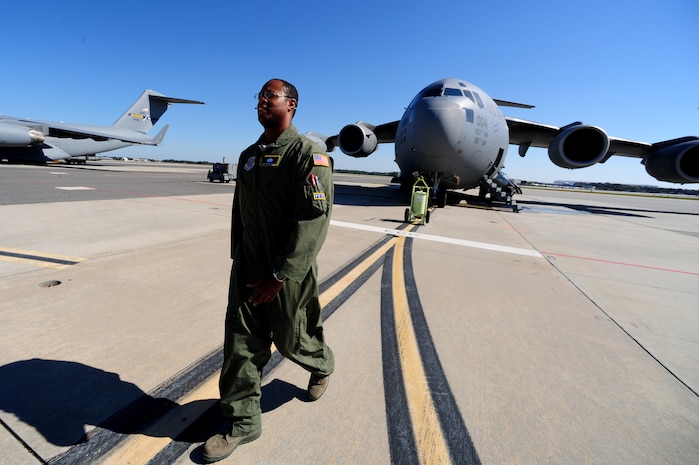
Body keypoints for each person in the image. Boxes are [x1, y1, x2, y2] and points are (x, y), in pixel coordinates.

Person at [202, 79, 335, 463]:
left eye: (269, 96)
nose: (261, 101)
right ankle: (243, 422)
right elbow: (240, 212)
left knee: (292, 338)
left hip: (288, 268)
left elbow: (313, 220)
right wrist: (239, 256)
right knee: (241, 340)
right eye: (259, 96)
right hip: (249, 262)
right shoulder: (249, 156)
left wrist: (279, 276)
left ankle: (321, 363)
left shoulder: (308, 155)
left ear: (290, 105)